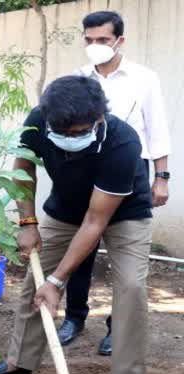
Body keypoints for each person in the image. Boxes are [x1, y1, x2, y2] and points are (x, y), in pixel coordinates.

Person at [0, 76, 153, 374]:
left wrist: (58, 282)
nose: (71, 138)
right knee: (34, 279)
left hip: (122, 213)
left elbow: (95, 221)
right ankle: (20, 362)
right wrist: (27, 223)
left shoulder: (122, 142)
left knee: (132, 287)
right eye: (63, 132)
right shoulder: (38, 121)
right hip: (66, 206)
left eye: (79, 132)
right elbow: (23, 169)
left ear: (99, 118)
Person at [58, 10, 171, 355]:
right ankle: (73, 318)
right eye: (89, 40)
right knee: (81, 248)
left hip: (129, 171)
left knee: (126, 262)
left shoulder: (143, 78)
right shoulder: (77, 79)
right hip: (84, 171)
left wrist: (161, 177)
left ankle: (116, 329)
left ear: (120, 40)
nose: (95, 46)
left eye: (103, 40)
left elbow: (157, 127)